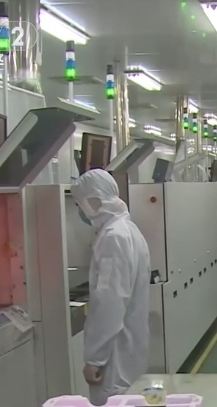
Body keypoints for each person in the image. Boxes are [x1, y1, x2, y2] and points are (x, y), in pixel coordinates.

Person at [71, 169, 151, 405]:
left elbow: (110, 302)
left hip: (115, 355)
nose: (80, 210)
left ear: (93, 200)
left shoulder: (113, 238)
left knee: (114, 400)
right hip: (130, 347)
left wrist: (95, 358)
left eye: (79, 203)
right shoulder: (127, 229)